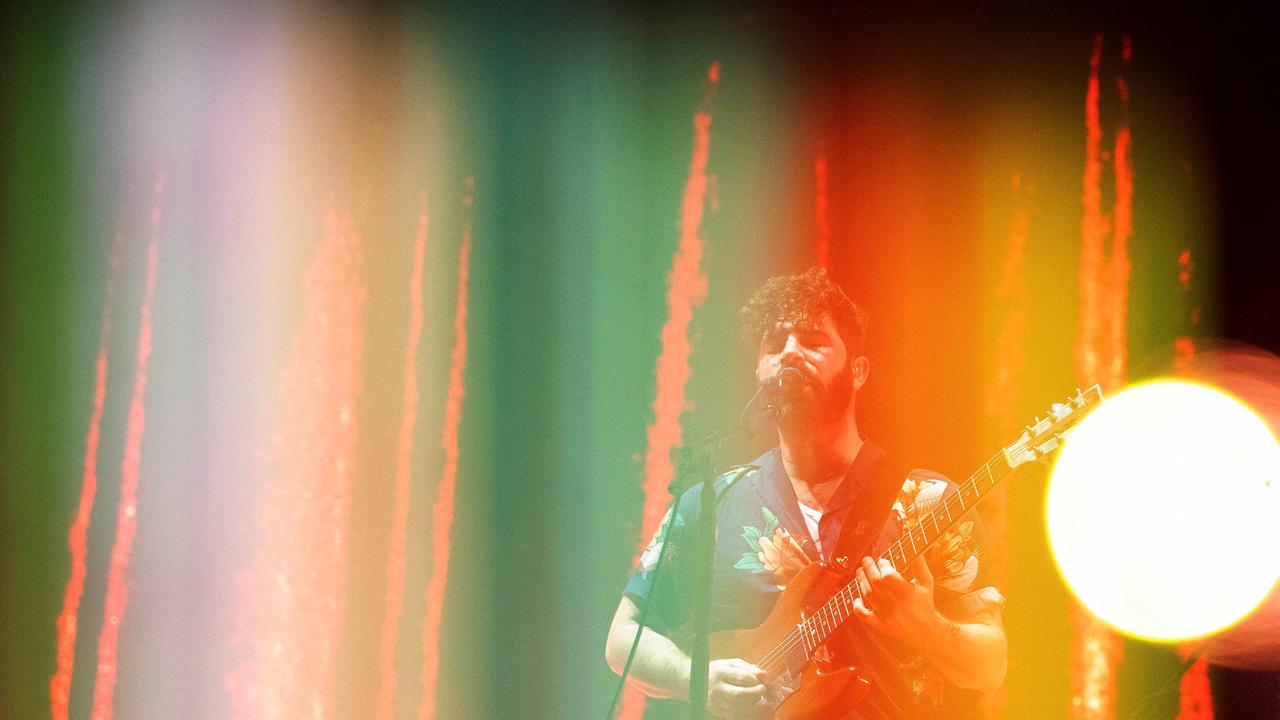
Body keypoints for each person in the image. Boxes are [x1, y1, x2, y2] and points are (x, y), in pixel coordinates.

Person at [605, 268, 1007, 719]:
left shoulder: (927, 500)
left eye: (813, 340)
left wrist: (927, 626)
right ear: (760, 371)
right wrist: (694, 678)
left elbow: (991, 666)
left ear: (858, 370)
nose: (791, 353)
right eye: (774, 345)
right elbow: (624, 637)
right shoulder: (711, 504)